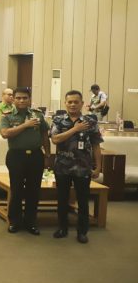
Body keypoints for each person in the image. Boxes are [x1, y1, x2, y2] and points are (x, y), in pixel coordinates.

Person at [51, 90, 103, 244]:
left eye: (76, 102)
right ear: (65, 103)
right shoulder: (58, 120)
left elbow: (96, 145)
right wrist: (75, 129)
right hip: (62, 167)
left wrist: (98, 167)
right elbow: (55, 139)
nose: (72, 104)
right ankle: (62, 228)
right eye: (70, 102)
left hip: (83, 167)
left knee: (83, 200)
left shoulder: (90, 121)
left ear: (82, 103)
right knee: (62, 199)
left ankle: (82, 232)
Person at [0, 87, 51, 235]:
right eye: (18, 98)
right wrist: (25, 125)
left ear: (29, 99)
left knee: (33, 191)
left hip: (36, 156)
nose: (21, 100)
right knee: (16, 190)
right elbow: (5, 133)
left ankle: (30, 222)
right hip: (16, 156)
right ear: (13, 99)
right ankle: (14, 221)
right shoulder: (8, 116)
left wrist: (47, 155)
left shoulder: (38, 115)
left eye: (24, 98)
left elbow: (44, 136)